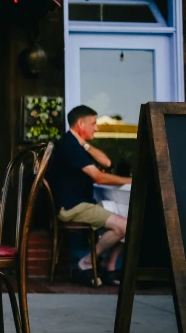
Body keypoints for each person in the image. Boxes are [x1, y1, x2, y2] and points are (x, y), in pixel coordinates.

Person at [45, 105, 132, 287]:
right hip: (73, 207)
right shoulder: (70, 146)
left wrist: (85, 144)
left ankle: (109, 266)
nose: (97, 128)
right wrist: (132, 181)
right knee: (124, 226)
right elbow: (98, 177)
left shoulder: (77, 145)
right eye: (93, 123)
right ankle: (86, 262)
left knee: (130, 217)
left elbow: (106, 162)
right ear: (81, 124)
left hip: (84, 204)